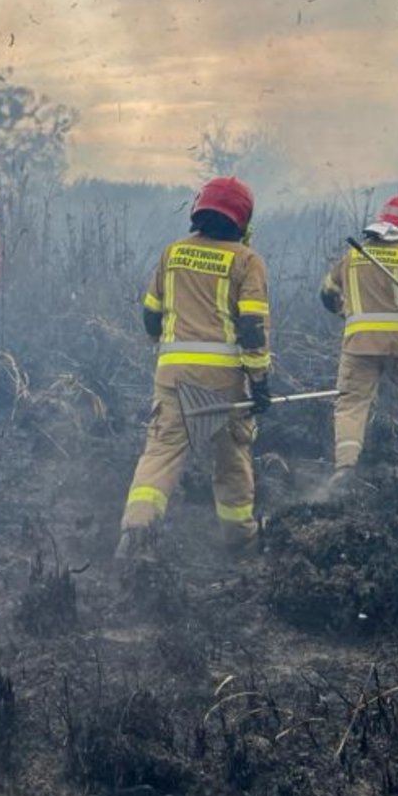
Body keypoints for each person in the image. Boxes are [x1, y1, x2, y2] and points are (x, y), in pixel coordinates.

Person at [115, 177, 272, 560]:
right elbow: (252, 328)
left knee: (160, 456)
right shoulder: (247, 261)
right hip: (224, 384)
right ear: (242, 220)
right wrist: (260, 380)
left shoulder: (172, 254)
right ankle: (241, 539)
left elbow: (151, 316)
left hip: (173, 378)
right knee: (232, 459)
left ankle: (134, 537)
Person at [320, 195, 398, 487]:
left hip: (358, 345)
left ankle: (345, 467)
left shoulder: (352, 257)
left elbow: (326, 293)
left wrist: (343, 310)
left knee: (351, 402)